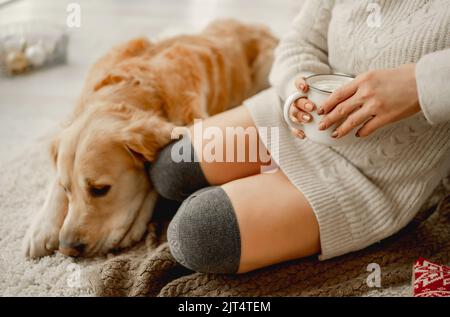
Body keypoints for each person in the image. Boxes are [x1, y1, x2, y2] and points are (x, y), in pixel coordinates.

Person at [149, 0, 450, 274]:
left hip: (376, 173)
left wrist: (417, 84)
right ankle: (261, 182)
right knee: (171, 166)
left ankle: (269, 189)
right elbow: (300, 40)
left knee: (201, 234)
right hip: (297, 118)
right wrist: (298, 89)